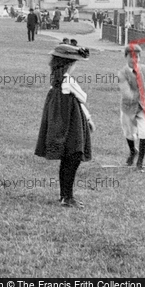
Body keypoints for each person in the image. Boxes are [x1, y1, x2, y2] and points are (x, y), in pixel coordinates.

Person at [35, 44, 94, 208]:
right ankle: (67, 196)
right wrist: (88, 118)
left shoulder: (55, 80)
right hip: (71, 122)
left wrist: (88, 117)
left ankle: (65, 195)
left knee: (67, 158)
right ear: (68, 64)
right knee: (73, 157)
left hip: (61, 121)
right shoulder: (68, 80)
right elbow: (82, 98)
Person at [119, 45, 145, 172]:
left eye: (137, 57)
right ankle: (133, 151)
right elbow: (126, 92)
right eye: (131, 57)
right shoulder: (122, 73)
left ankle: (140, 163)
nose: (134, 60)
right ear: (126, 57)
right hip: (128, 107)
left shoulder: (144, 69)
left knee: (144, 132)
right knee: (129, 133)